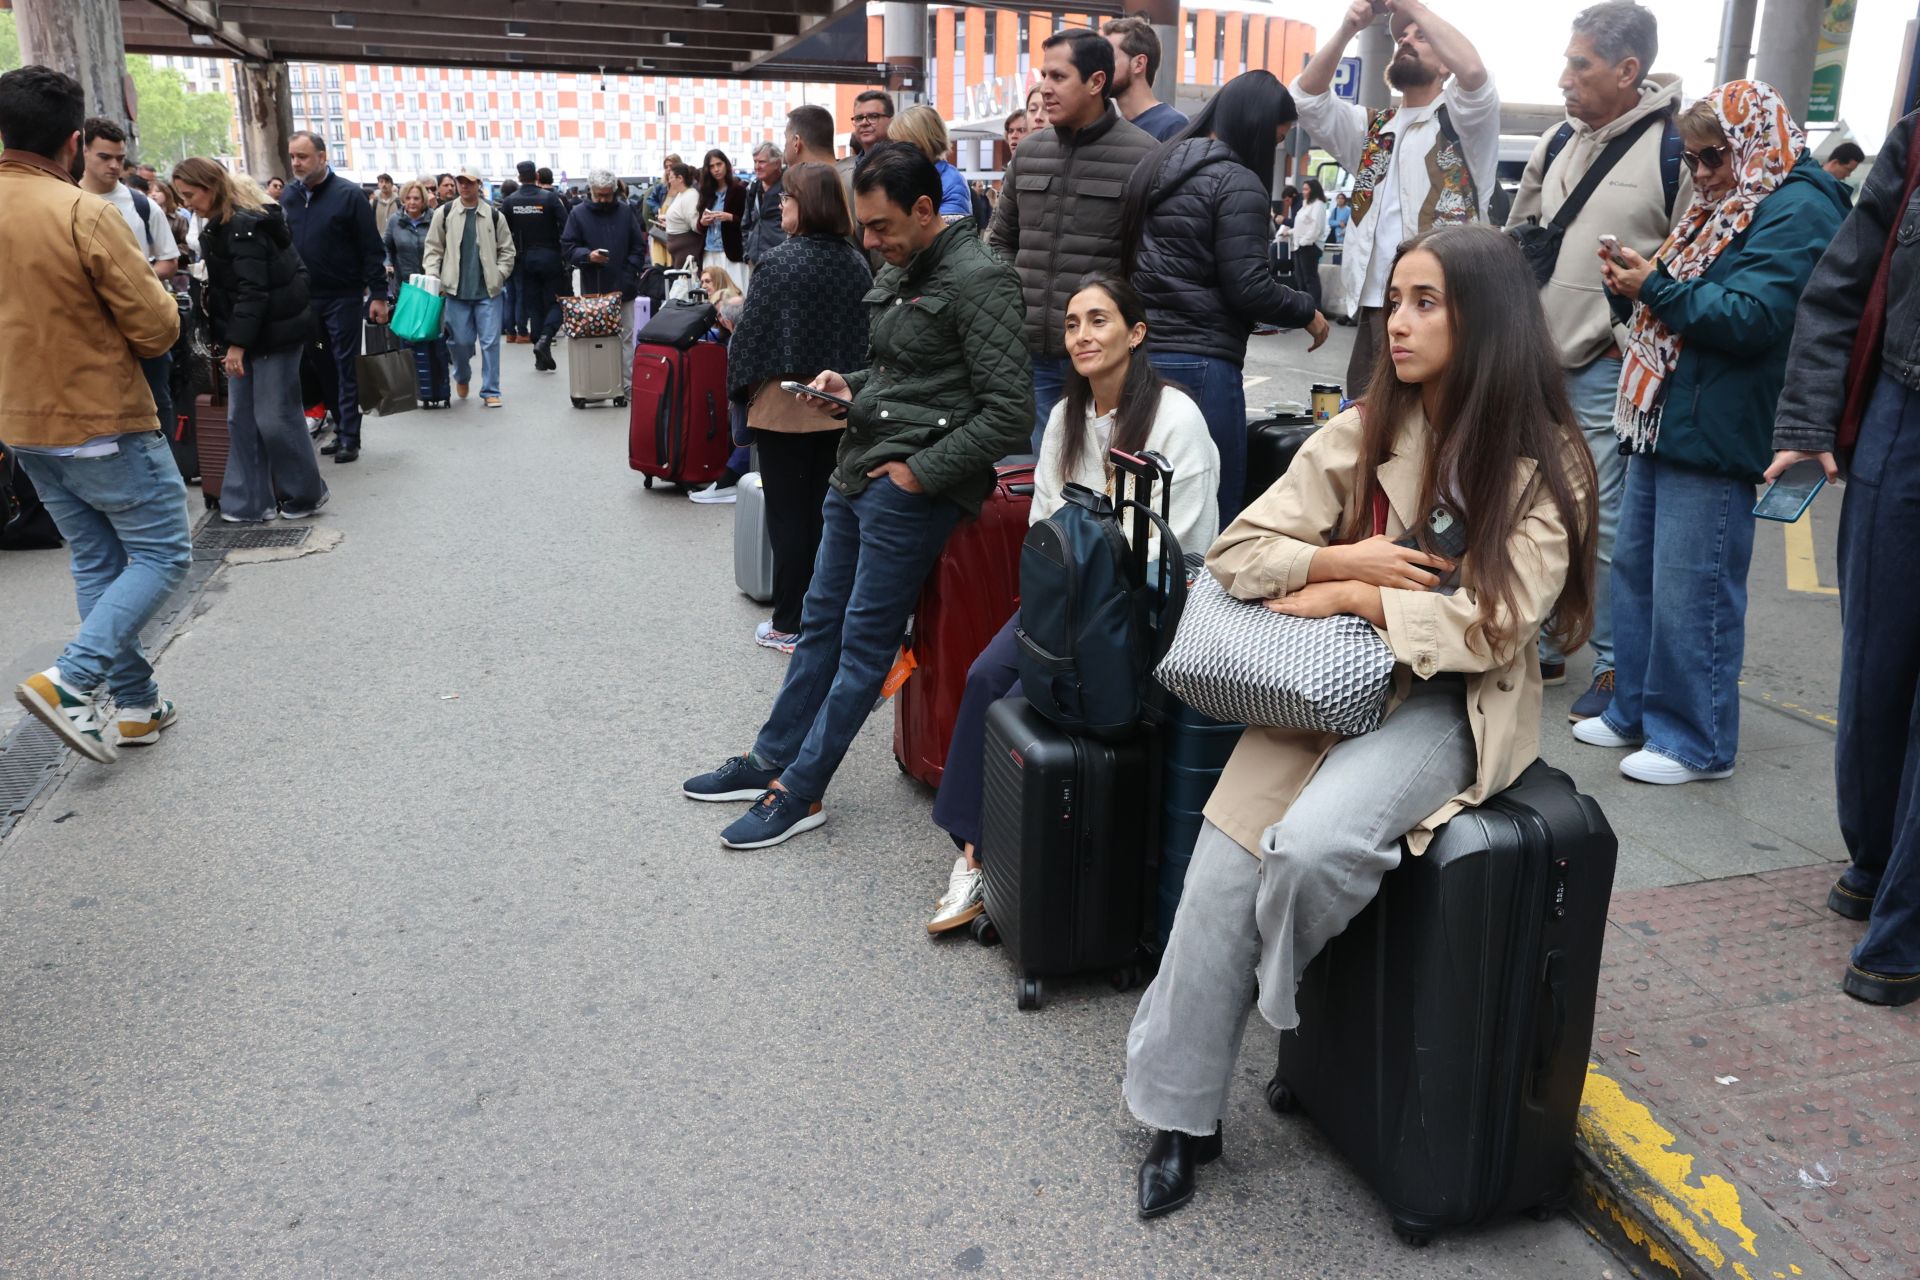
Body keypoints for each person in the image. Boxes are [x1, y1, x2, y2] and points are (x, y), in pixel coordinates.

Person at [1123, 224, 1598, 1219]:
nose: (1402, 323)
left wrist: (1354, 599)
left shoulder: (1549, 460)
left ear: (1488, 319)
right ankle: (1179, 1118)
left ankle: (1281, 1001)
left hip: (1447, 699)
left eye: (1429, 302)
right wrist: (1341, 564)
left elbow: (1496, 622)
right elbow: (1239, 552)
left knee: (1311, 848)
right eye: (1399, 300)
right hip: (1322, 685)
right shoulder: (1374, 424)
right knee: (1217, 875)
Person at [680, 143, 1031, 851]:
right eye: (864, 226)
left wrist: (919, 474)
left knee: (863, 647)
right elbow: (902, 374)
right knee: (819, 624)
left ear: (926, 210)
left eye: (879, 227)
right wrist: (852, 386)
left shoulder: (980, 279)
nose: (868, 241)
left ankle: (800, 790)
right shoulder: (907, 267)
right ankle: (772, 756)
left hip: (905, 487)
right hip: (860, 466)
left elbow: (1009, 413)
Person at [1572, 82, 1848, 787]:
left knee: (1694, 589)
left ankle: (1696, 741)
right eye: (1691, 159)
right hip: (1671, 413)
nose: (1699, 173)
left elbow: (1754, 317)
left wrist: (1652, 288)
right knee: (1640, 577)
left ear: (1753, 141)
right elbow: (1682, 300)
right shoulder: (1731, 201)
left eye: (1712, 155)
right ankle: (1635, 710)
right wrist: (1631, 285)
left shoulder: (1799, 205)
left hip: (1720, 422)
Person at [927, 275, 1220, 932]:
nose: (1082, 337)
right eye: (1071, 325)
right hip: (1072, 602)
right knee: (986, 677)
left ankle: (988, 855)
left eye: (1099, 321)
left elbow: (1185, 546)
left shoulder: (1177, 419)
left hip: (1149, 611)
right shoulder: (1065, 416)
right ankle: (980, 853)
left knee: (1037, 693)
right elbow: (1046, 526)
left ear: (1136, 333)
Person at [1506, 0, 1691, 723]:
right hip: (1535, 360)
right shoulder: (1557, 139)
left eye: (1580, 65)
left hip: (1613, 364)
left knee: (1605, 521)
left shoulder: (1674, 149)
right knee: (1531, 501)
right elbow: (1520, 229)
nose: (1564, 79)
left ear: (1627, 69)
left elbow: (1691, 257)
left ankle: (1613, 667)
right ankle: (1549, 639)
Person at [1773, 110, 1920, 1005]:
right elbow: (1842, 286)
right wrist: (1804, 422)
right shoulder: (1915, 136)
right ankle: (1874, 859)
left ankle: (1903, 919)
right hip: (1905, 413)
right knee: (1873, 669)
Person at [1, 65, 187, 764]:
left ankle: (136, 705)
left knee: (99, 561)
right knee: (164, 553)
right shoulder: (83, 213)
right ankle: (71, 682)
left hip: (22, 420)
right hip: (102, 417)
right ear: (74, 143)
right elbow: (155, 328)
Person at [1121, 71, 1327, 520]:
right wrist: (1306, 310)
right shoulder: (1237, 181)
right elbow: (1249, 287)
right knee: (1214, 500)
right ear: (1254, 127)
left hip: (1140, 356)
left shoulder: (1154, 165)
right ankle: (1205, 594)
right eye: (1275, 140)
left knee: (1146, 503)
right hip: (1203, 363)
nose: (1272, 151)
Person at [1294, 0, 1501, 393]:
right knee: (1367, 426)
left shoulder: (1463, 119)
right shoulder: (1374, 128)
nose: (1406, 39)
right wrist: (1347, 29)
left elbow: (1473, 72)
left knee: (1435, 430)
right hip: (1378, 308)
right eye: (1401, 36)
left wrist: (1408, 5)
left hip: (1444, 306)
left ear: (1446, 65)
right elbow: (1307, 99)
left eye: (1421, 35)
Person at [723, 162, 874, 652]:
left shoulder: (778, 262)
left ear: (804, 205)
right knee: (826, 517)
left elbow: (750, 342)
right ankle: (823, 618)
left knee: (787, 519)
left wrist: (739, 391)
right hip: (839, 405)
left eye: (787, 198)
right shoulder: (856, 263)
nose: (781, 205)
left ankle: (789, 622)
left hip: (783, 409)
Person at [990, 28, 1158, 451]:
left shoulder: (1145, 156)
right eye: (1044, 76)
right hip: (1022, 351)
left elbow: (1150, 261)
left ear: (1096, 82)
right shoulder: (1028, 152)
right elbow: (999, 241)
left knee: (1089, 474)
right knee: (1021, 478)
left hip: (1099, 358)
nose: (1045, 90)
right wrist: (1008, 308)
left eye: (1058, 77)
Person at [174, 156, 328, 526]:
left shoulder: (241, 226)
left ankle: (303, 492)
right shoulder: (231, 223)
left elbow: (252, 292)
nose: (186, 203)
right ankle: (248, 502)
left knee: (273, 417)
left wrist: (236, 345)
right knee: (241, 417)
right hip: (259, 331)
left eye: (189, 194)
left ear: (209, 188)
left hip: (274, 333)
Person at [281, 131, 387, 465]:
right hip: (304, 299)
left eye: (303, 156)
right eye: (293, 157)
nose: (297, 163)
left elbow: (371, 248)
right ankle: (341, 427)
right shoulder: (288, 197)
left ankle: (349, 437)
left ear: (323, 157)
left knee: (344, 365)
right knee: (320, 364)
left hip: (343, 296)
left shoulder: (349, 196)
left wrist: (378, 295)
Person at [78, 119, 180, 460]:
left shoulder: (141, 204)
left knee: (155, 400)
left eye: (120, 158)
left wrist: (133, 281)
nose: (114, 165)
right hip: (88, 328)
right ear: (83, 151)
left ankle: (165, 471)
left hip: (142, 321)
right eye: (105, 156)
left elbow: (169, 259)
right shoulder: (67, 201)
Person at [423, 165, 517, 410]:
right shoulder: (443, 213)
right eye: (460, 181)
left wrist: (500, 274)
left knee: (490, 342)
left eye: (470, 182)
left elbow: (507, 250)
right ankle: (462, 376)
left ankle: (491, 390)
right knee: (460, 342)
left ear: (479, 185)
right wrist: (433, 275)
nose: (464, 186)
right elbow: (433, 248)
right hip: (455, 291)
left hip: (488, 291)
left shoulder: (494, 215)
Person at [561, 170, 649, 394]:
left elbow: (638, 246)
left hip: (624, 285)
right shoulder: (578, 213)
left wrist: (630, 271)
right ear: (590, 191)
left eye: (606, 195)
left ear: (614, 192)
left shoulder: (625, 211)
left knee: (626, 337)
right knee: (596, 338)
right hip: (594, 286)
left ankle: (626, 384)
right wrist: (587, 256)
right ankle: (600, 383)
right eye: (598, 195)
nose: (601, 199)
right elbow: (568, 247)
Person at [382, 179, 451, 394]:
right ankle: (413, 383)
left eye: (416, 198)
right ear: (403, 199)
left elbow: (444, 248)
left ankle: (436, 380)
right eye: (408, 198)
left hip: (432, 285)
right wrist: (387, 264)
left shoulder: (435, 219)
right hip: (406, 286)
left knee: (434, 331)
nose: (412, 202)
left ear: (424, 201)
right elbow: (386, 246)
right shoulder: (395, 221)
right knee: (408, 333)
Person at [503, 159, 570, 371]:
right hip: (550, 257)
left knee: (533, 305)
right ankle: (545, 339)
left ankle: (540, 352)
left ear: (519, 177)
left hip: (524, 260)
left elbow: (503, 233)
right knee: (560, 301)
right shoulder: (550, 199)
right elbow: (566, 226)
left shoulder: (510, 201)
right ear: (537, 177)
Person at [1104, 15, 1190, 142]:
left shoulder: (1173, 125)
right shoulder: (1111, 126)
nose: (1100, 67)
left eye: (1108, 58)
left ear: (1139, 64)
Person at [888, 104, 971, 220]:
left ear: (924, 142)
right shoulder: (902, 176)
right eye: (894, 143)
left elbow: (948, 232)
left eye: (902, 144)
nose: (896, 150)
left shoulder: (951, 181)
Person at [697, 149, 751, 291]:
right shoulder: (706, 192)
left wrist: (730, 217)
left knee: (736, 295)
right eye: (712, 166)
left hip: (731, 252)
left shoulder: (738, 191)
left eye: (719, 164)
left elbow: (748, 223)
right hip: (709, 252)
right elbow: (699, 226)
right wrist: (703, 222)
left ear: (726, 165)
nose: (716, 169)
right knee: (713, 296)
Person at [740, 142, 789, 267]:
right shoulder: (754, 187)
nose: (757, 166)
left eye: (761, 162)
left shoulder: (789, 187)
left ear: (777, 163)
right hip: (755, 262)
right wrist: (747, 253)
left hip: (781, 262)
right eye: (755, 162)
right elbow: (746, 223)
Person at [1289, 178, 1330, 312]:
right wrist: (1290, 232)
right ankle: (1304, 308)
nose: (1304, 192)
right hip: (1300, 245)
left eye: (1306, 189)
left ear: (1314, 190)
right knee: (1300, 278)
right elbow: (1301, 226)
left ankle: (1314, 309)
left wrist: (1304, 241)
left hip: (1310, 246)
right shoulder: (1306, 204)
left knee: (1310, 279)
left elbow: (1316, 228)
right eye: (1303, 189)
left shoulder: (1318, 205)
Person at [660, 161, 703, 271]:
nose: (669, 180)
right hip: (679, 250)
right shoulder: (681, 194)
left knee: (685, 285)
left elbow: (695, 224)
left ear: (680, 178)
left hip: (686, 250)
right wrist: (669, 222)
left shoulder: (690, 196)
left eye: (671, 177)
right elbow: (680, 216)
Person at [371, 172, 398, 236]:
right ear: (378, 185)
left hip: (395, 239)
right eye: (381, 182)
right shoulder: (374, 202)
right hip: (378, 239)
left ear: (391, 185)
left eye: (387, 182)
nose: (384, 184)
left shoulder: (398, 201)